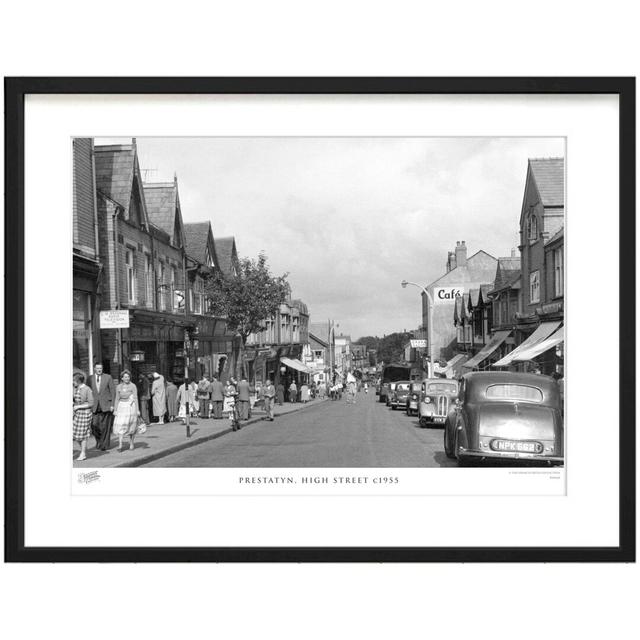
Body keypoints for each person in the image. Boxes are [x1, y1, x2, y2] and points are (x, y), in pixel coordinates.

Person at [87, 363, 115, 451]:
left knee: (105, 426)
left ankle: (104, 445)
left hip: (106, 405)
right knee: (94, 425)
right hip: (94, 406)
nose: (99, 370)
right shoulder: (90, 378)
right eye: (98, 368)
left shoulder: (108, 377)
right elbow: (88, 391)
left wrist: (112, 405)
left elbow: (113, 391)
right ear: (94, 369)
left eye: (101, 368)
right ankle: (99, 441)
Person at [112, 369, 140, 452]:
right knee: (121, 425)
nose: (127, 378)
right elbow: (117, 398)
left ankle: (131, 442)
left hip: (130, 407)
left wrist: (137, 410)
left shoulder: (133, 386)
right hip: (121, 407)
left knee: (131, 425)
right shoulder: (119, 387)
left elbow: (135, 398)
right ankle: (120, 444)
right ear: (122, 378)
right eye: (125, 377)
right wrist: (115, 409)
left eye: (128, 377)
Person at [73, 372, 94, 461]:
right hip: (77, 414)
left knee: (83, 434)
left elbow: (91, 403)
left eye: (73, 380)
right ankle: (83, 448)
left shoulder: (87, 389)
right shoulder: (76, 388)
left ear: (78, 381)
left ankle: (83, 453)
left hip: (85, 414)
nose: (72, 382)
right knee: (75, 434)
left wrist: (78, 406)